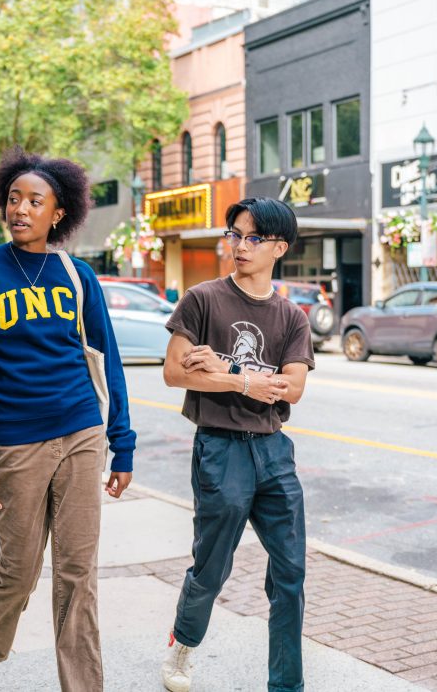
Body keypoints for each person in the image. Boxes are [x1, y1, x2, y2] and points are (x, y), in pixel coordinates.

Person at [0, 147, 136, 692]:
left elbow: (108, 361)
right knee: (20, 568)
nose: (21, 209)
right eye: (14, 198)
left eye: (36, 200)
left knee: (78, 574)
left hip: (81, 431)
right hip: (15, 442)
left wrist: (121, 444)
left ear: (59, 214)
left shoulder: (77, 275)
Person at [159, 198, 314, 692]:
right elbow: (173, 372)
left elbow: (292, 388)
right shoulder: (202, 299)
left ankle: (286, 685)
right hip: (220, 450)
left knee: (290, 571)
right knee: (212, 566)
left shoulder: (292, 317)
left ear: (279, 248)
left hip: (273, 450)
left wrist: (221, 371)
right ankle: (182, 646)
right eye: (234, 234)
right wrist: (242, 383)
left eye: (252, 238)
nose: (239, 245)